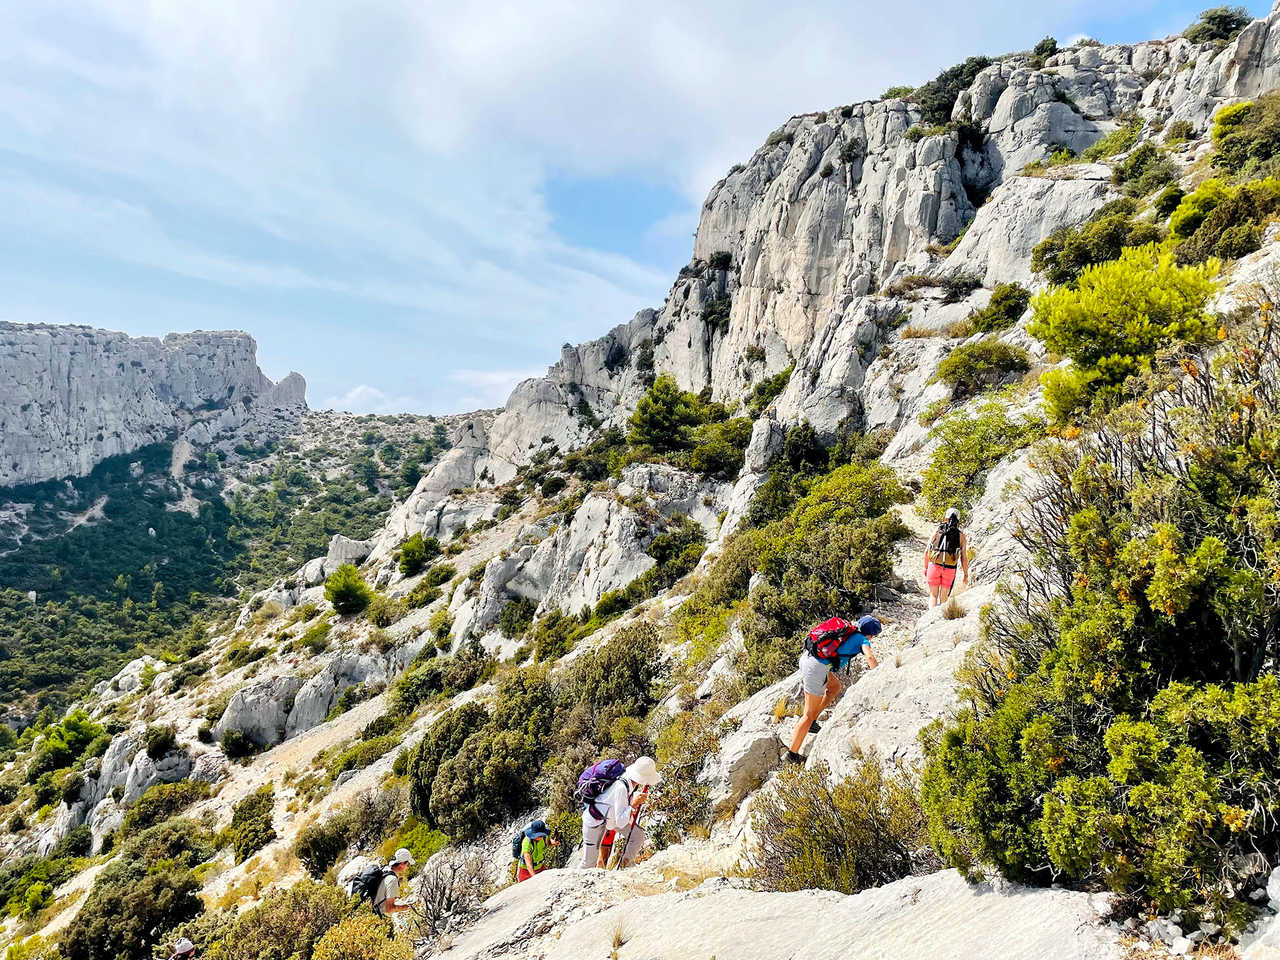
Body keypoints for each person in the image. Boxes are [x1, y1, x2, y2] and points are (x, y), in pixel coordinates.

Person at [785, 615, 881, 764]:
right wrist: (881, 676)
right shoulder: (863, 640)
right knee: (807, 715)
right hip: (816, 667)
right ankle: (792, 755)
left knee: (835, 687)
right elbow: (870, 658)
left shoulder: (849, 630)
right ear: (872, 634)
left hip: (808, 657)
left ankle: (813, 721)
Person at [580, 756, 660, 869]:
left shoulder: (629, 783)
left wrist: (631, 807)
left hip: (609, 820)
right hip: (595, 821)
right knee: (588, 863)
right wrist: (633, 805)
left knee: (637, 835)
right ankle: (572, 885)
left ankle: (625, 866)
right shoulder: (621, 787)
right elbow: (621, 821)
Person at [925, 508, 969, 606]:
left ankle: (931, 617)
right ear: (958, 520)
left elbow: (927, 551)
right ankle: (940, 618)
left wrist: (926, 567)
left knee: (933, 596)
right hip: (950, 569)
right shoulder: (961, 536)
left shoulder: (937, 531)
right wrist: (965, 574)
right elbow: (963, 558)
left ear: (946, 518)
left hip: (934, 566)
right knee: (944, 598)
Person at [374, 847, 416, 917]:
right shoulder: (392, 879)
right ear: (402, 863)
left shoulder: (385, 869)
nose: (408, 867)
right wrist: (408, 907)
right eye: (408, 864)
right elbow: (389, 909)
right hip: (376, 917)